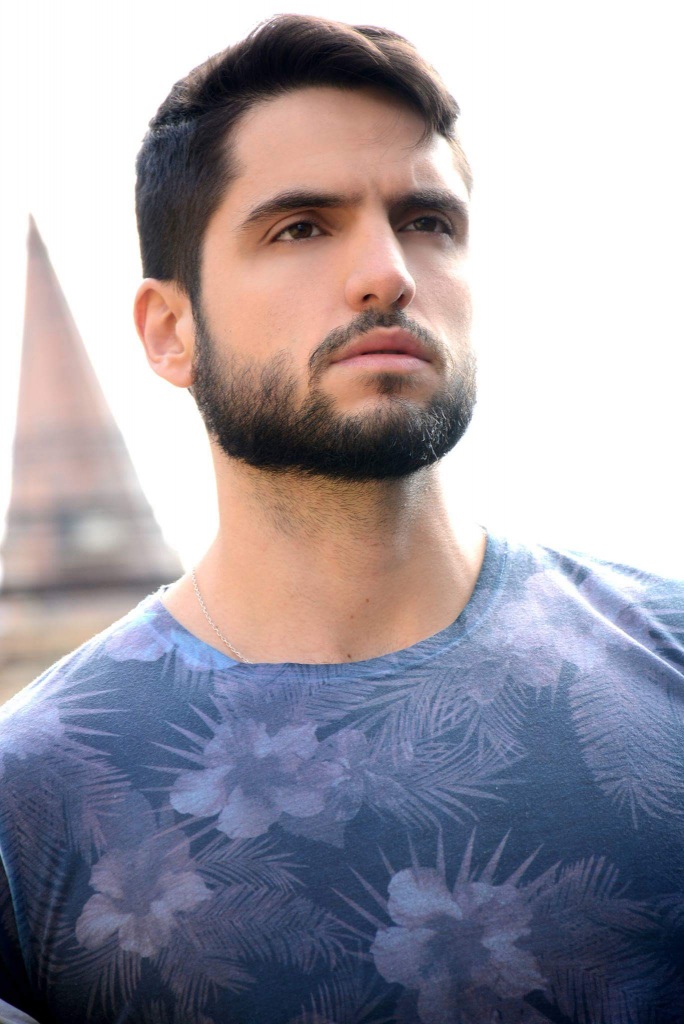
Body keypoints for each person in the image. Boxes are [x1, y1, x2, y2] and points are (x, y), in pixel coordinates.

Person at [0, 14, 683, 1024]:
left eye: (428, 222)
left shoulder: (668, 657)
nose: (387, 271)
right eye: (301, 228)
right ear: (171, 330)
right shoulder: (30, 799)